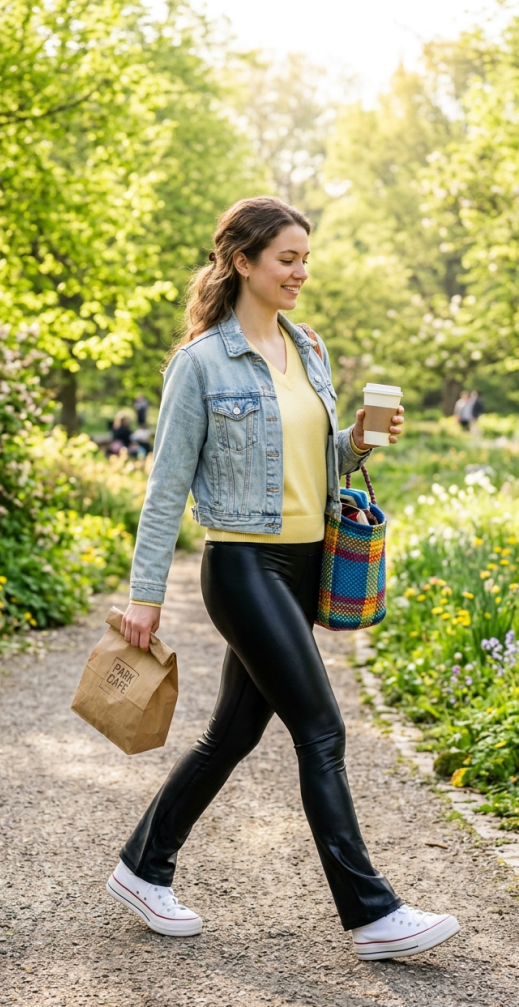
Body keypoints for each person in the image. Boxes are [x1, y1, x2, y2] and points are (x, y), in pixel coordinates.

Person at [106, 196, 460, 960]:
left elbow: (315, 464)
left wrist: (357, 442)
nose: (302, 272)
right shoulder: (201, 363)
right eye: (287, 258)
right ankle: (371, 913)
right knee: (322, 730)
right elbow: (166, 487)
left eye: (306, 258)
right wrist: (145, 595)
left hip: (304, 563)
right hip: (242, 565)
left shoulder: (309, 350)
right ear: (243, 262)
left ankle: (143, 866)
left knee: (231, 734)